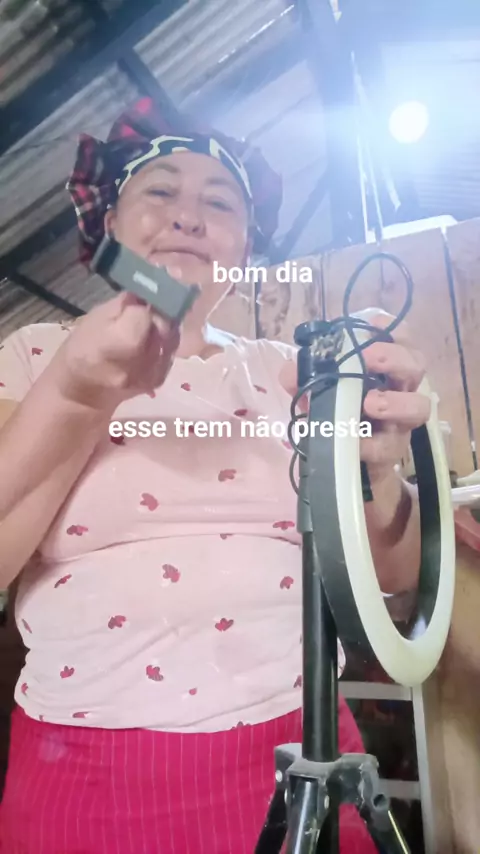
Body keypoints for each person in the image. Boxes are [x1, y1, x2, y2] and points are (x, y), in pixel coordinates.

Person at [0, 97, 427, 853]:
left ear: (246, 248)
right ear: (108, 225)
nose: (189, 217)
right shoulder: (32, 356)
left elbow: (395, 577)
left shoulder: (296, 373)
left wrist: (381, 471)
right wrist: (75, 392)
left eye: (221, 203)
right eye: (161, 191)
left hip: (303, 753)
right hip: (85, 772)